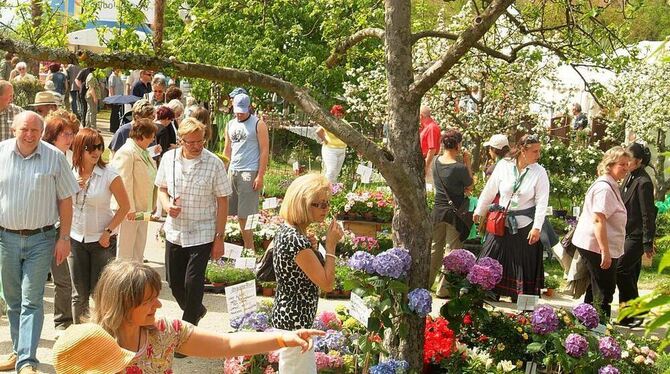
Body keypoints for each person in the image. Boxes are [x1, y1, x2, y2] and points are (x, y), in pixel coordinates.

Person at [52, 260, 325, 372]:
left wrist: (281, 339)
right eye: (148, 301)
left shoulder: (166, 332)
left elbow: (226, 345)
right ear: (123, 304)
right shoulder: (93, 344)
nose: (158, 304)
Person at [0, 111, 79, 373]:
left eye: (35, 130)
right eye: (24, 129)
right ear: (14, 129)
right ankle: (17, 350)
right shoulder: (1, 153)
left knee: (31, 300)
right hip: (5, 239)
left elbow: (66, 200)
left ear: (42, 132)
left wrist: (64, 238)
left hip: (41, 239)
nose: (29, 134)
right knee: (12, 300)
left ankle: (27, 360)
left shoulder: (54, 158)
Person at [155, 118, 231, 327]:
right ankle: (196, 309)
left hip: (202, 231)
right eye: (192, 142)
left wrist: (219, 237)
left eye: (201, 141)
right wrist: (167, 205)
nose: (197, 146)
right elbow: (161, 188)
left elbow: (223, 200)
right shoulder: (168, 159)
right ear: (181, 140)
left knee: (193, 282)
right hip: (175, 231)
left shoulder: (213, 163)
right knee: (174, 284)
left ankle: (187, 329)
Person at [270, 173, 344, 372]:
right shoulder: (295, 239)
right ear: (301, 203)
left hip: (292, 318)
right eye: (317, 204)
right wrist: (331, 246)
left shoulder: (292, 232)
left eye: (326, 203)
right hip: (296, 323)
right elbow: (327, 283)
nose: (324, 209)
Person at [473, 134, 550, 300]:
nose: (538, 155)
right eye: (535, 151)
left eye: (539, 151)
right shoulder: (504, 166)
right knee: (491, 255)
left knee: (523, 262)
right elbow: (490, 189)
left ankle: (520, 297)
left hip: (525, 224)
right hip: (501, 221)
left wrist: (537, 227)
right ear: (523, 150)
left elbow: (542, 202)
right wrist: (479, 210)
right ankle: (488, 291)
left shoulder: (540, 172)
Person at [69, 129, 130, 323]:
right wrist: (72, 187)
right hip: (76, 238)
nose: (96, 152)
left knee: (100, 293)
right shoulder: (70, 172)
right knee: (78, 293)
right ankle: (78, 338)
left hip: (102, 241)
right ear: (80, 149)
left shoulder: (109, 174)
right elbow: (60, 203)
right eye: (90, 148)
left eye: (99, 147)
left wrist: (108, 231)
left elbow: (124, 207)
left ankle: (101, 338)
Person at [571, 146, 630, 318]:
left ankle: (587, 325)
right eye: (622, 164)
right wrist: (605, 251)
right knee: (604, 290)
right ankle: (600, 328)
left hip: (601, 245)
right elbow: (598, 219)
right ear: (610, 165)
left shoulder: (611, 185)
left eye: (627, 164)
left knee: (597, 287)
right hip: (597, 246)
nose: (626, 168)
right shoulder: (605, 188)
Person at [42, 109, 80, 331]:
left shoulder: (65, 157)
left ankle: (62, 322)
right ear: (52, 136)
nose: (70, 138)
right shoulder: (45, 158)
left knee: (63, 279)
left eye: (71, 134)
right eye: (65, 134)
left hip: (58, 227)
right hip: (39, 226)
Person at [429, 129, 473, 297]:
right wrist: (468, 162)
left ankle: (426, 283)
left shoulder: (435, 162)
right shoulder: (459, 168)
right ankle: (444, 289)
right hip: (454, 213)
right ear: (458, 145)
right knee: (452, 251)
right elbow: (470, 186)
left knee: (435, 248)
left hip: (438, 211)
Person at [616, 143, 656, 326]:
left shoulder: (644, 182)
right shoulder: (629, 177)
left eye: (629, 160)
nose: (625, 164)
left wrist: (648, 242)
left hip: (637, 235)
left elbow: (648, 213)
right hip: (625, 232)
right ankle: (627, 316)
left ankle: (638, 310)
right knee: (629, 273)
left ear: (638, 161)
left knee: (621, 269)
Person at [224, 93, 269, 251]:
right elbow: (227, 149)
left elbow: (264, 150)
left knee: (246, 214)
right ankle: (228, 247)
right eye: (237, 110)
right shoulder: (230, 124)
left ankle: (249, 248)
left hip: (249, 171)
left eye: (242, 110)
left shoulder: (258, 124)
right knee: (226, 210)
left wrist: (260, 175)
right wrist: (223, 169)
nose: (239, 113)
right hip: (233, 170)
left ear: (249, 107)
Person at [110, 118, 158, 262]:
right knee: (125, 250)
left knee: (139, 248)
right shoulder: (126, 152)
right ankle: (123, 283)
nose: (153, 139)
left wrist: (153, 205)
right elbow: (124, 182)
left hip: (143, 209)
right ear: (141, 135)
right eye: (151, 136)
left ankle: (137, 281)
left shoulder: (143, 152)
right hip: (130, 211)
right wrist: (128, 209)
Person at [315, 105, 348, 183]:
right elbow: (318, 131)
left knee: (336, 172)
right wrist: (325, 140)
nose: (339, 115)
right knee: (331, 170)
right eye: (337, 114)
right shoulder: (328, 123)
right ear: (333, 113)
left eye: (341, 114)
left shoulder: (345, 123)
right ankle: (325, 188)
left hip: (342, 150)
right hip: (330, 150)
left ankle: (333, 190)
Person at [419, 105, 441, 180]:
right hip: (426, 159)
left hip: (429, 160)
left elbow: (432, 149)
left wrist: (426, 166)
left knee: (429, 185)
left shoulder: (431, 127)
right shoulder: (426, 127)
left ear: (421, 116)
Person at [108, 69, 125, 133]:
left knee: (117, 113)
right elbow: (111, 87)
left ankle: (116, 126)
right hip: (115, 98)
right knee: (114, 113)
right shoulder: (113, 76)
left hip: (119, 97)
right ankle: (113, 128)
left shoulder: (118, 76)